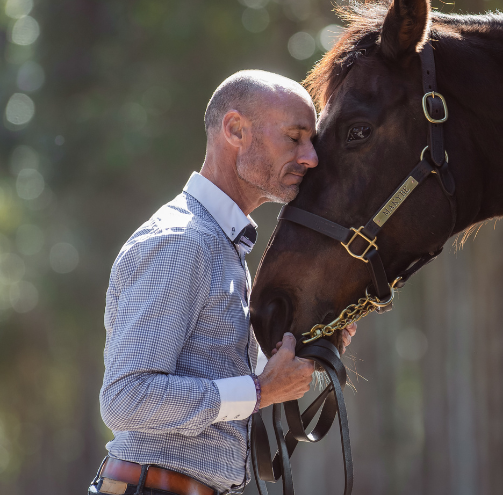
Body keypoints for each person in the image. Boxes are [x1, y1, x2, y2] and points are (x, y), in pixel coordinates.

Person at [90, 70, 356, 495]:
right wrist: (259, 390)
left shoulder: (218, 243)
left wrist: (302, 356)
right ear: (235, 129)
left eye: (312, 142)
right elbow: (127, 398)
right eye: (295, 138)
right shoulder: (182, 242)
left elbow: (214, 389)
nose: (311, 158)